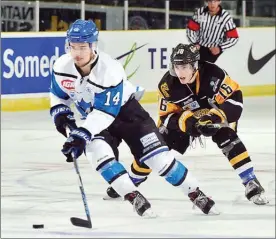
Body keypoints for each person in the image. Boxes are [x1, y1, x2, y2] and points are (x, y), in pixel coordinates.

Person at [49, 19, 219, 217]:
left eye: (82, 47)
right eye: (73, 46)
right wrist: (61, 115)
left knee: (158, 159)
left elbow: (106, 113)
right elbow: (58, 95)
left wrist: (82, 134)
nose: (77, 53)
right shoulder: (62, 66)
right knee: (98, 155)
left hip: (127, 114)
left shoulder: (110, 71)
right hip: (96, 121)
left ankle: (195, 192)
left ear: (93, 46)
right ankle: (132, 195)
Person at [107, 43, 269, 206]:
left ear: (194, 66)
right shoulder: (167, 85)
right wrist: (190, 123)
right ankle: (131, 181)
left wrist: (213, 118)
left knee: (227, 137)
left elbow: (235, 100)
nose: (179, 72)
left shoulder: (214, 74)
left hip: (214, 116)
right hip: (186, 120)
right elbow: (166, 118)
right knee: (154, 146)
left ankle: (250, 181)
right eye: (176, 67)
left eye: (184, 67)